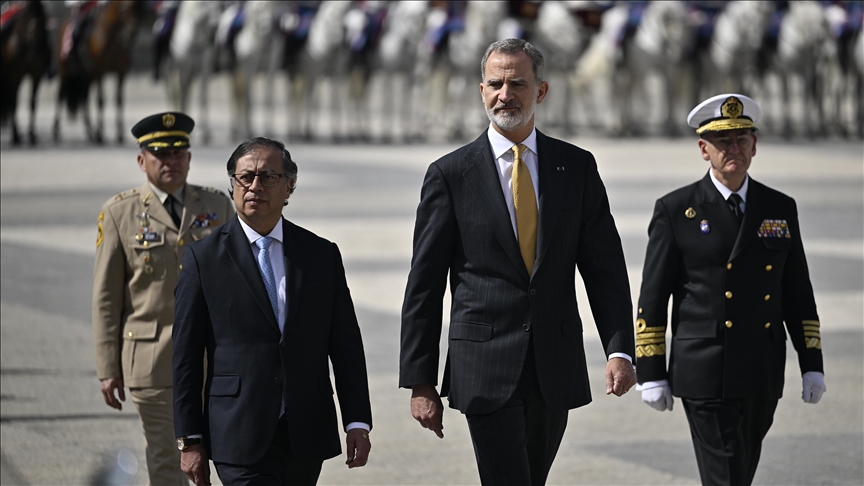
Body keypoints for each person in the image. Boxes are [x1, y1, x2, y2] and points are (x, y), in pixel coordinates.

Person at [399, 38, 636, 485]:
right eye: (495, 84)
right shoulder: (450, 174)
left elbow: (604, 268)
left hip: (554, 362)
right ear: (481, 90)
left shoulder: (576, 167)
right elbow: (424, 285)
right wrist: (419, 379)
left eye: (517, 84)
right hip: (483, 364)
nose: (505, 94)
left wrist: (619, 347)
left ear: (540, 92)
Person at [635, 93, 827, 486]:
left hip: (761, 369)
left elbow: (797, 291)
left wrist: (812, 363)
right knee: (727, 476)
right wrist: (650, 370)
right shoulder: (677, 209)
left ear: (755, 145)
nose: (733, 149)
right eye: (723, 142)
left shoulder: (778, 207)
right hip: (705, 368)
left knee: (738, 472)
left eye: (741, 139)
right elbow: (653, 295)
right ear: (704, 149)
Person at [172, 137, 372, 486]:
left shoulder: (320, 255)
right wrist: (189, 439)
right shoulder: (203, 260)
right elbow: (186, 357)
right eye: (244, 177)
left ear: (289, 186)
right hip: (238, 433)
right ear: (232, 185)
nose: (254, 187)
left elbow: (346, 345)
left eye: (268, 177)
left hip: (305, 432)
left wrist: (357, 421)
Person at [92, 111, 234, 485]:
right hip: (154, 360)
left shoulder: (216, 206)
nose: (171, 162)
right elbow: (106, 297)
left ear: (189, 158)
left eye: (179, 154)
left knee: (219, 458)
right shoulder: (120, 213)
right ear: (142, 161)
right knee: (168, 460)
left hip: (212, 360)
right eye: (161, 155)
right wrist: (108, 367)